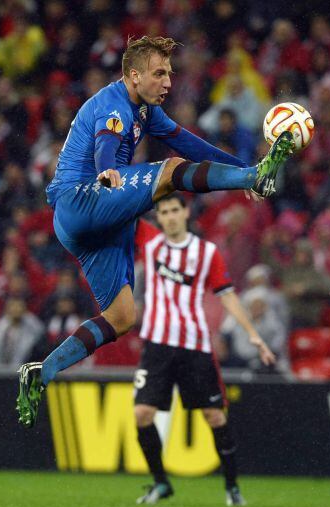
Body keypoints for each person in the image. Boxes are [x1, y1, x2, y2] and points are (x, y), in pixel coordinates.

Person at [16, 35, 295, 427]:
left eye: (170, 74)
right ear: (133, 75)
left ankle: (41, 371)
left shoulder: (146, 111)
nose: (168, 82)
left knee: (122, 316)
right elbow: (106, 144)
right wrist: (108, 169)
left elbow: (188, 142)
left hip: (94, 226)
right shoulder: (114, 105)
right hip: (83, 199)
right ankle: (254, 174)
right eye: (159, 73)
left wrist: (243, 172)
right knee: (169, 172)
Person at [132, 194, 275, 507]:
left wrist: (254, 335)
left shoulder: (206, 252)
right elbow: (119, 209)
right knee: (142, 414)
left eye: (174, 211)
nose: (169, 217)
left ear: (185, 213)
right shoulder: (149, 241)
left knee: (214, 415)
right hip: (156, 344)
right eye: (163, 212)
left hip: (194, 346)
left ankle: (232, 487)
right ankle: (160, 483)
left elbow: (227, 295)